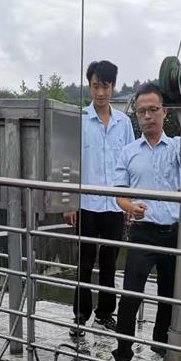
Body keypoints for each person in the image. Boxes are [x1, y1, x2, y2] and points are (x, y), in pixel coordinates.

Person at [108, 83, 181, 361]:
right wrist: (129, 207)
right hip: (142, 231)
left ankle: (160, 342)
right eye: (142, 111)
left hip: (174, 232)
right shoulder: (128, 152)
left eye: (153, 110)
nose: (148, 116)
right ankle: (122, 353)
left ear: (165, 112)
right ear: (136, 115)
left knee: (169, 294)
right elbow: (118, 193)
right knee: (131, 294)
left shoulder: (178, 147)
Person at [63, 60, 135, 339]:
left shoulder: (124, 123)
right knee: (84, 261)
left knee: (109, 262)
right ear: (89, 86)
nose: (100, 92)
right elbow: (68, 163)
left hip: (115, 205)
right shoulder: (79, 120)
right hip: (86, 204)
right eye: (95, 86)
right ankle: (80, 315)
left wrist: (127, 202)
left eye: (105, 86)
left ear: (113, 86)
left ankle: (105, 314)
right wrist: (68, 203)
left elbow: (128, 162)